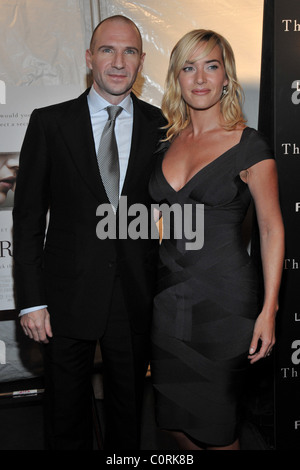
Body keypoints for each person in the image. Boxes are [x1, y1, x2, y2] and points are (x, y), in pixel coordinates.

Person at [13, 15, 165, 450]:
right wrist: (32, 301)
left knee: (129, 416)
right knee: (65, 418)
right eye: (107, 50)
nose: (118, 62)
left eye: (130, 51)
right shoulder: (50, 123)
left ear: (140, 61)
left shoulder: (163, 127)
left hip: (135, 296)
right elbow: (26, 219)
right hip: (63, 299)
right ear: (88, 58)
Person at [149, 29, 284, 450]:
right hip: (169, 303)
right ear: (177, 78)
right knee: (172, 421)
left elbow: (270, 228)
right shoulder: (166, 144)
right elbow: (156, 224)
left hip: (226, 303)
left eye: (212, 65)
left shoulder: (249, 145)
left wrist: (269, 310)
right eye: (189, 67)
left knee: (217, 428)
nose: (201, 78)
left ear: (226, 77)